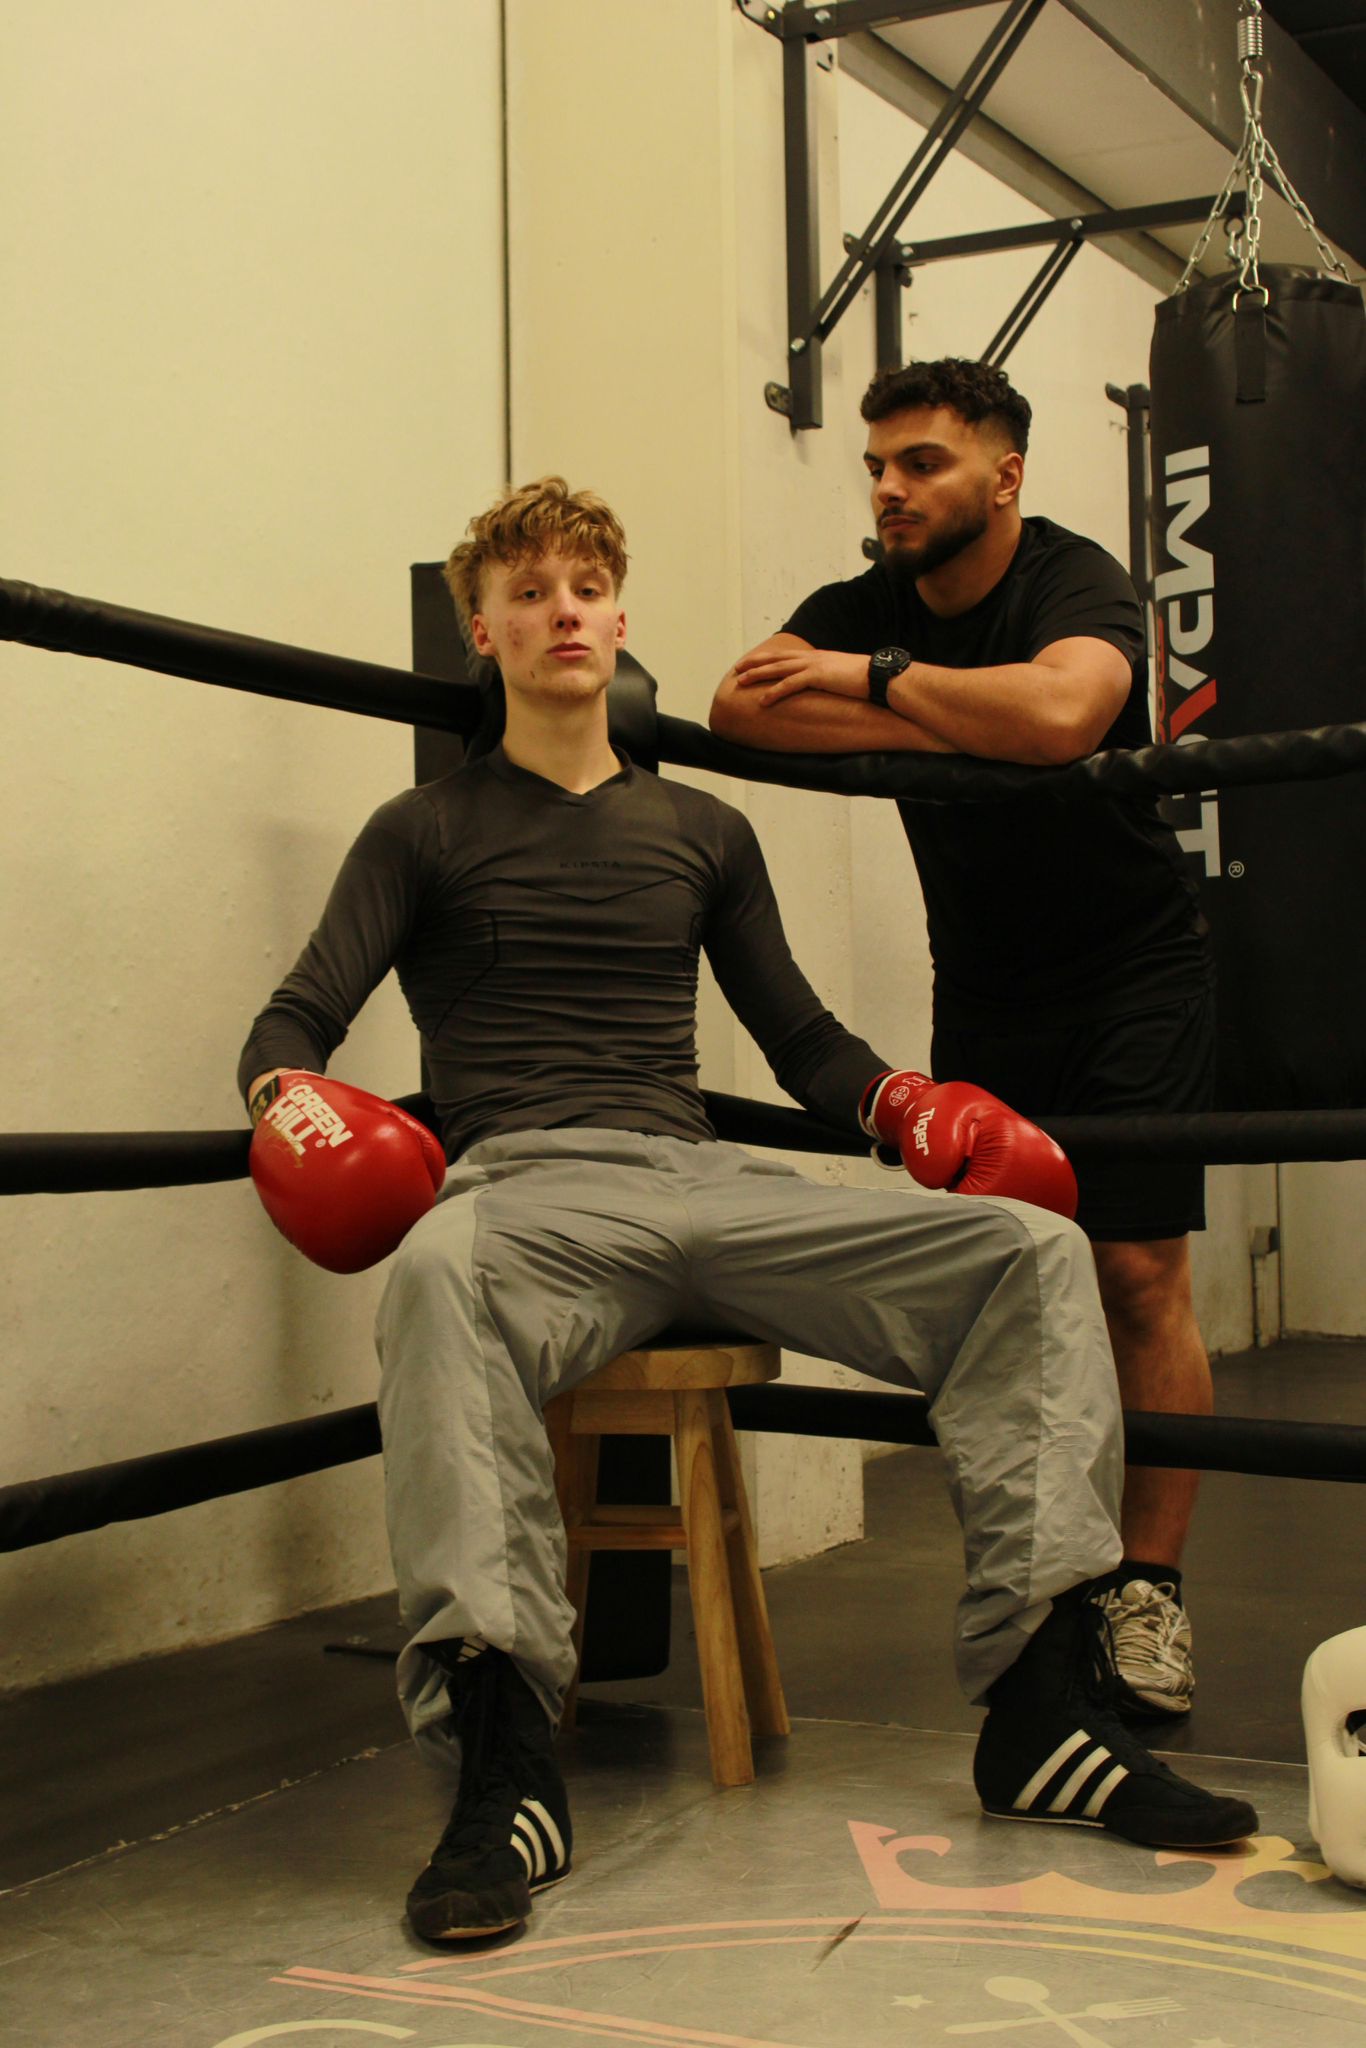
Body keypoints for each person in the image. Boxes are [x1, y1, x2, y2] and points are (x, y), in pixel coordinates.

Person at [239, 477, 1254, 1948]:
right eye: (527, 593)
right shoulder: (421, 829)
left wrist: (902, 1101)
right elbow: (290, 1024)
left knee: (1026, 1250)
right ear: (483, 631)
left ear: (619, 614)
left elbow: (801, 1040)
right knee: (433, 1276)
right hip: (529, 1191)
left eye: (583, 586)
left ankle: (1039, 1705)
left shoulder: (702, 828)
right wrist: (298, 1108)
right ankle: (504, 1763)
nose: (561, 613)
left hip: (703, 1175)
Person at [711, 359, 1215, 1722]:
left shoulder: (1073, 577)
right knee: (1011, 1276)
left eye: (921, 463)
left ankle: (1147, 1590)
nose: (887, 489)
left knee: (1132, 1274)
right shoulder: (861, 592)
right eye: (876, 465)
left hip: (1132, 971)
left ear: (1002, 476)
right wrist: (940, 694)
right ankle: (1045, 1579)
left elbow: (1067, 713)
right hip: (985, 989)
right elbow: (741, 706)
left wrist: (875, 680)